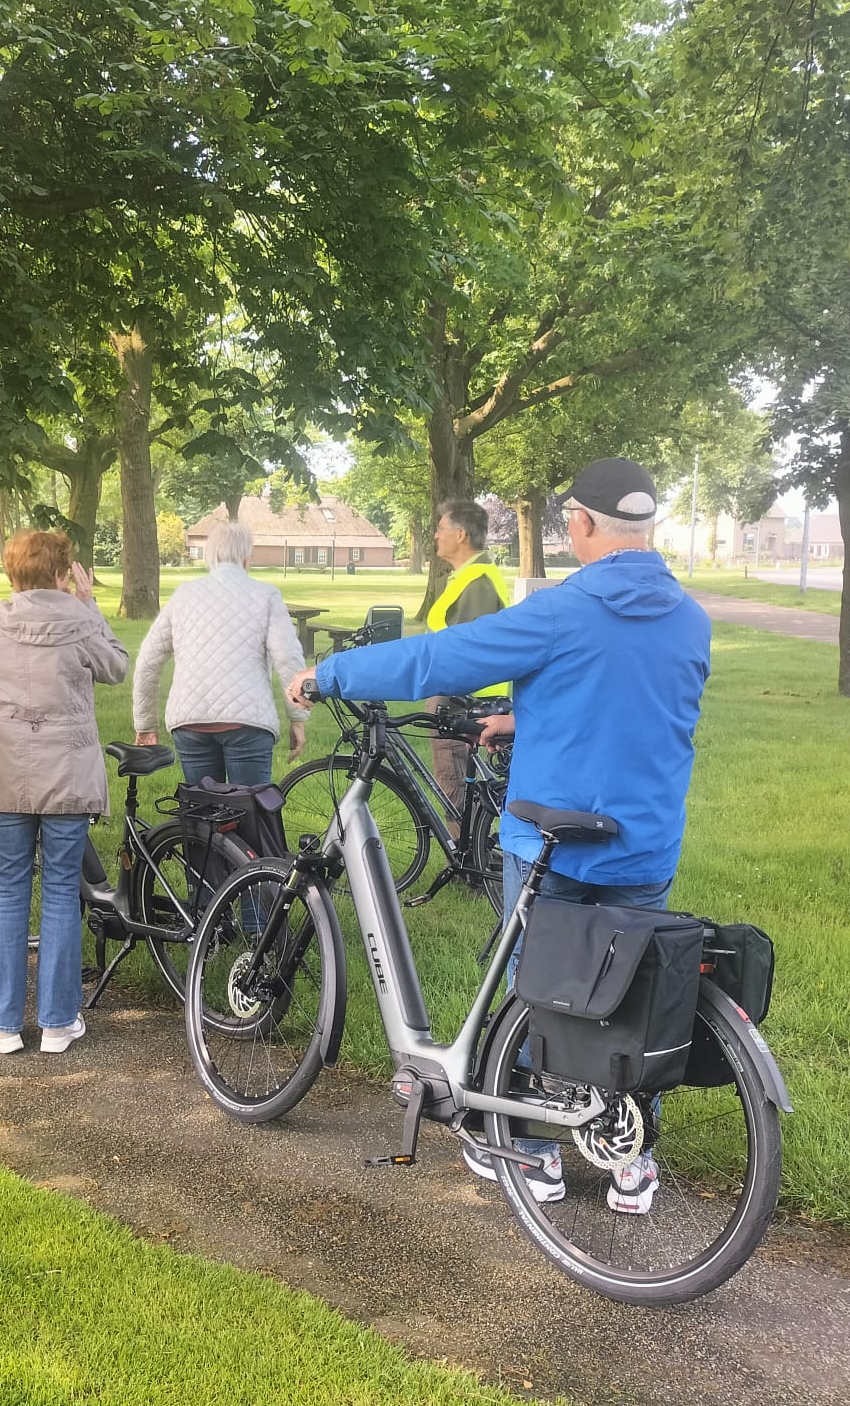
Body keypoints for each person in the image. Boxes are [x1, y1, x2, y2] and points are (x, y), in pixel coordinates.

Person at [291, 458, 709, 1216]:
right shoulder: (689, 618)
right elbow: (634, 703)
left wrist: (333, 674)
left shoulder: (563, 610)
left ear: (580, 523)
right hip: (645, 845)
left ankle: (534, 1154)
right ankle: (631, 1160)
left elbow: (436, 658)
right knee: (633, 993)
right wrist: (527, 715)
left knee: (539, 989)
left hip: (556, 843)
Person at [0, 530, 129, 1056]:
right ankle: (58, 1022)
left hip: (7, 767)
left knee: (10, 891)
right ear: (61, 574)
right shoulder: (80, 621)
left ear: (12, 571)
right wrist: (90, 606)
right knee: (61, 891)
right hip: (67, 768)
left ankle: (1, 1022)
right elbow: (115, 667)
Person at [130, 516, 307, 785]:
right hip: (248, 722)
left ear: (210, 556)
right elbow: (288, 658)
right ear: (247, 557)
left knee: (202, 808)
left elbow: (147, 661)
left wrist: (145, 725)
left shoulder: (183, 595)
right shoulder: (266, 595)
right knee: (251, 807)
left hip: (190, 720)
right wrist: (297, 718)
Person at [422, 499, 511, 828]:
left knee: (455, 784)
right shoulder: (465, 577)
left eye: (441, 528)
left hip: (462, 699)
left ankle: (469, 847)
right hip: (455, 693)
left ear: (461, 535)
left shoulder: (477, 582)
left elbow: (470, 652)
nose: (436, 535)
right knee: (457, 782)